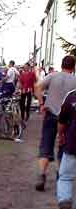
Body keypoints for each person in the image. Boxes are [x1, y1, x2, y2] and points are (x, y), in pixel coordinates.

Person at [35, 55, 76, 192]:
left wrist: (41, 103)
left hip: (51, 114)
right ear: (73, 67)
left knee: (45, 145)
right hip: (67, 119)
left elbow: (38, 87)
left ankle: (42, 174)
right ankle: (60, 176)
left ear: (62, 64)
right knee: (63, 148)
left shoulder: (53, 76)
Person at [56, 89, 76, 209]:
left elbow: (62, 120)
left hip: (74, 142)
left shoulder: (72, 95)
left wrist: (60, 134)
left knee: (66, 176)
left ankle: (65, 201)